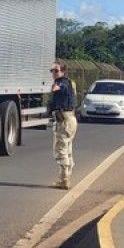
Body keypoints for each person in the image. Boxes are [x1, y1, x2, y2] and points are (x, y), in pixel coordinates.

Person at [48, 61, 78, 189]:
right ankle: (65, 177)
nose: (53, 73)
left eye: (56, 70)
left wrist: (56, 87)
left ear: (63, 71)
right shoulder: (71, 82)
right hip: (70, 119)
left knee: (61, 149)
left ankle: (64, 179)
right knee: (68, 149)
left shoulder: (62, 83)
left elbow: (62, 88)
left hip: (64, 120)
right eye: (52, 71)